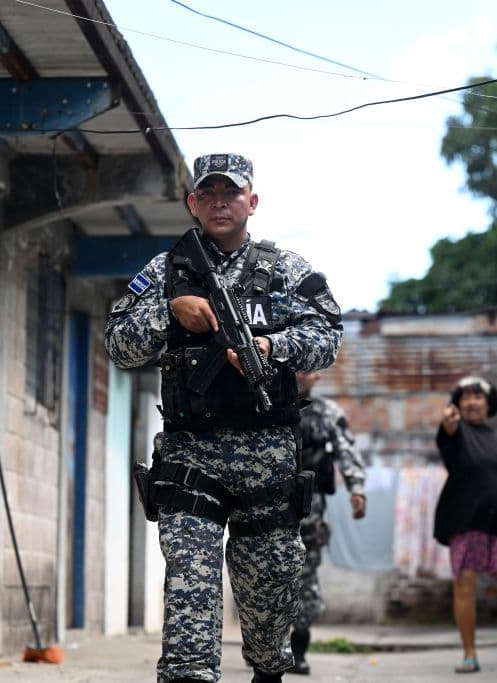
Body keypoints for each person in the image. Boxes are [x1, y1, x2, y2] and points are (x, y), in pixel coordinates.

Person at [105, 153, 343, 683]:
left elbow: (327, 338)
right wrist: (171, 310)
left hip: (267, 458)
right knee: (191, 581)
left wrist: (271, 345)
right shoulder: (168, 270)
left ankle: (268, 667)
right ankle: (190, 673)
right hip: (192, 453)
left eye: (230, 193)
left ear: (251, 202)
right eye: (207, 193)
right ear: (192, 203)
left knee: (269, 600)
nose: (219, 203)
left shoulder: (286, 269)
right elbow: (119, 346)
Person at [433, 376, 497, 673]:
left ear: (489, 403)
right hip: (467, 522)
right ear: (457, 405)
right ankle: (469, 654)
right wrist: (449, 422)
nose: (471, 402)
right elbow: (448, 433)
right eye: (465, 397)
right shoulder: (456, 431)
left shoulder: (495, 437)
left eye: (478, 396)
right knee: (465, 586)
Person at [287, 370, 367, 675]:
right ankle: (262, 647)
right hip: (263, 507)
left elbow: (347, 450)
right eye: (294, 366)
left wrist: (357, 488)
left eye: (305, 369)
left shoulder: (326, 413)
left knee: (304, 579)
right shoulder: (261, 402)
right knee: (261, 577)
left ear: (316, 375)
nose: (298, 374)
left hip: (309, 510)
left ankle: (298, 649)